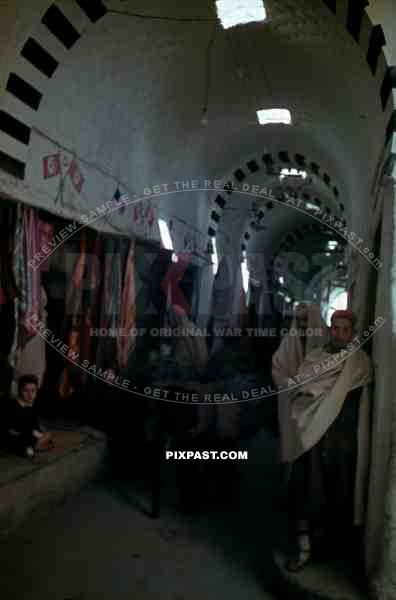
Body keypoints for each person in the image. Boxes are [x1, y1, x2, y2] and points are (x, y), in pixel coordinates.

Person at [281, 309, 372, 572]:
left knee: (331, 493)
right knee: (304, 486)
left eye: (345, 329)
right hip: (309, 435)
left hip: (336, 440)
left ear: (352, 332)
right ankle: (303, 547)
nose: (339, 334)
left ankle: (321, 547)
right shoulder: (315, 357)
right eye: (335, 328)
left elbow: (351, 402)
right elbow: (301, 391)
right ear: (329, 328)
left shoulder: (358, 363)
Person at [272, 303, 328, 463]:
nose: (303, 325)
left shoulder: (326, 345)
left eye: (306, 320)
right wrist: (295, 387)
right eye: (299, 321)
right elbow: (278, 370)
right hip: (292, 407)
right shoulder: (287, 345)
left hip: (317, 407)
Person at [4, 374, 54, 458]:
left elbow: (34, 426)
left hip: (29, 434)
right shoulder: (14, 405)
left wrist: (39, 434)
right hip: (16, 436)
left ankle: (33, 446)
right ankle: (32, 447)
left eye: (33, 391)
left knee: (48, 435)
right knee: (29, 442)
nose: (30, 394)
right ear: (20, 391)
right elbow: (11, 429)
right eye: (26, 391)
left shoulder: (31, 405)